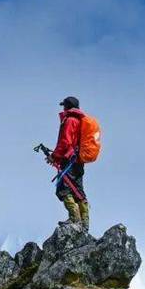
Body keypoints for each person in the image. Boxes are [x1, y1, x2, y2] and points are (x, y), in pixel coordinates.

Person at [47, 96, 90, 232]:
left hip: (69, 160)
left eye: (63, 106)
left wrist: (54, 156)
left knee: (65, 189)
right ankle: (84, 223)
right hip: (78, 161)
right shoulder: (79, 121)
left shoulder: (70, 120)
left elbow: (65, 142)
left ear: (67, 106)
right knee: (78, 190)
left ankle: (75, 219)